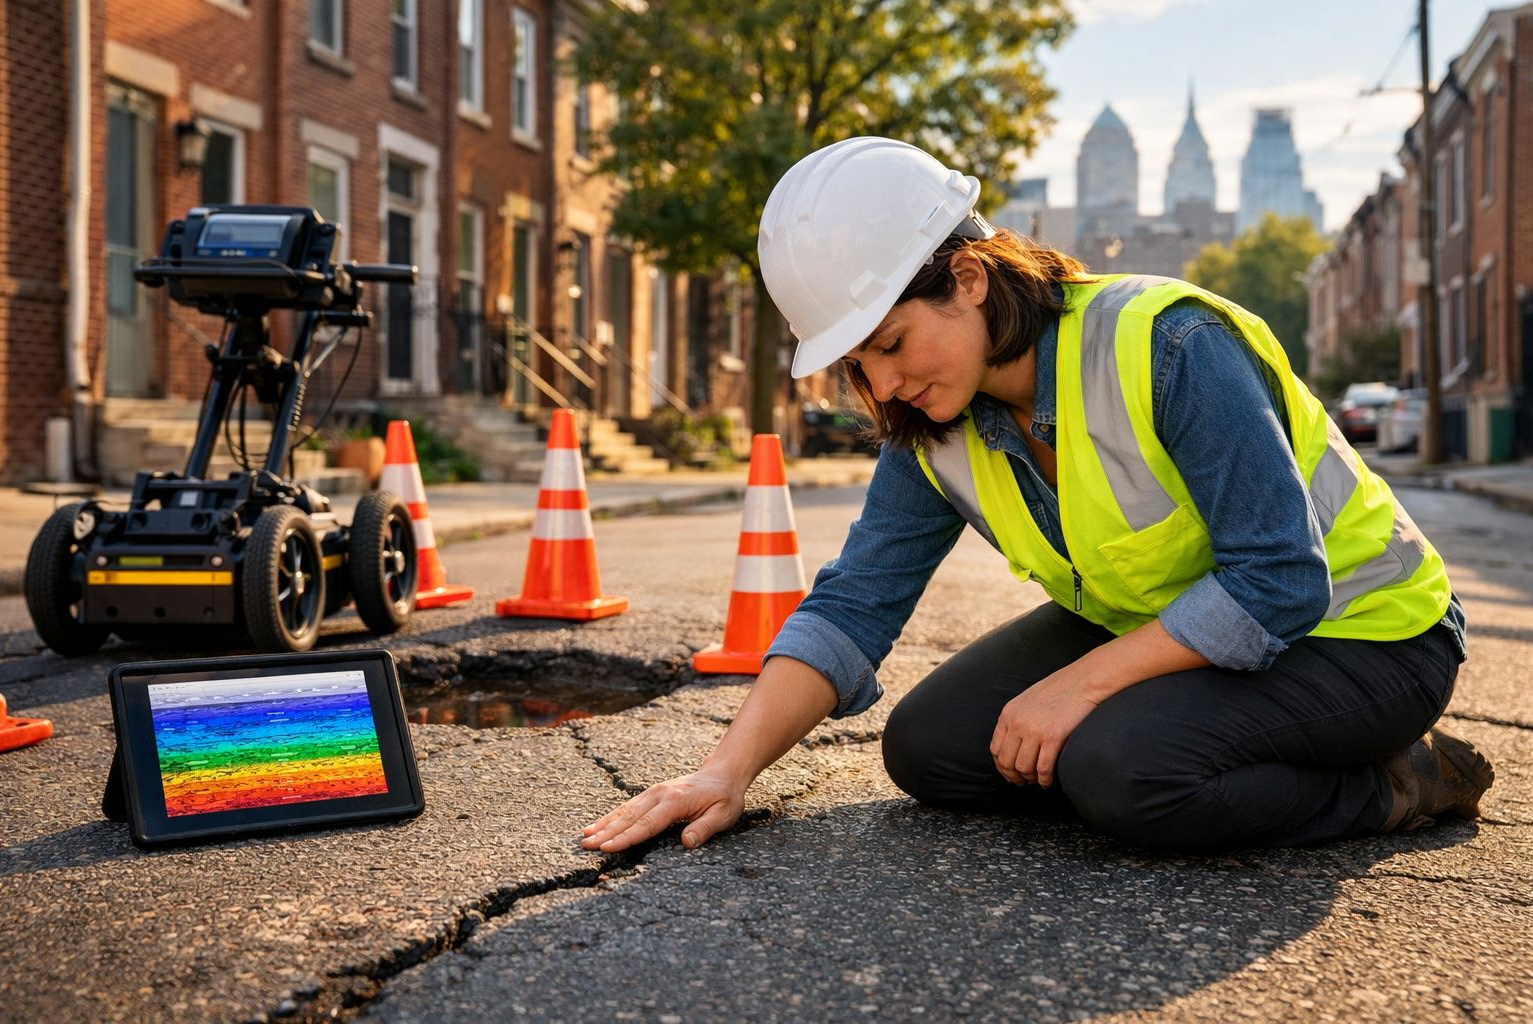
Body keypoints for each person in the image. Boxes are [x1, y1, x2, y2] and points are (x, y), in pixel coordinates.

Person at [581, 136, 1493, 855]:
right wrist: (725, 773)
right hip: (1180, 623)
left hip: (1363, 636)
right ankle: (1161, 751)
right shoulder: (938, 419)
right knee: (930, 748)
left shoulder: (1167, 344)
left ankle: (1401, 782)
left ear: (969, 279)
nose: (885, 384)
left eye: (893, 343)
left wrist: (1079, 690)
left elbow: (1279, 584)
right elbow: (857, 601)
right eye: (860, 364)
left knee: (1129, 771)